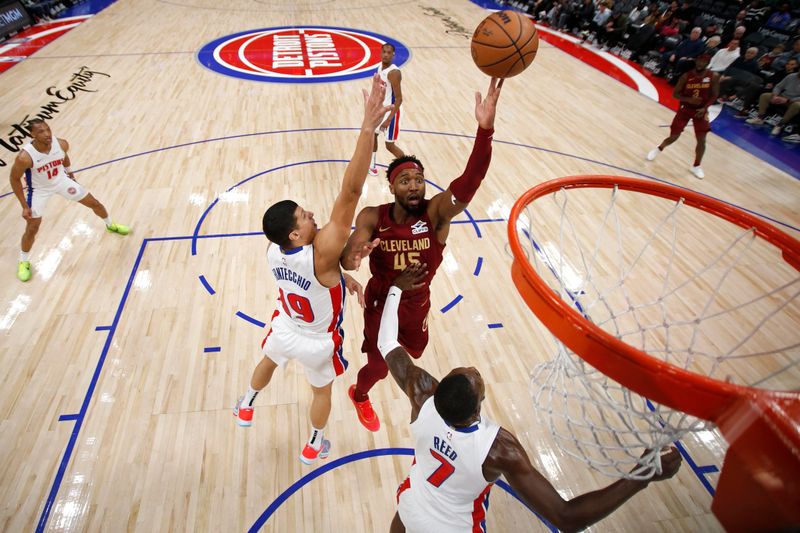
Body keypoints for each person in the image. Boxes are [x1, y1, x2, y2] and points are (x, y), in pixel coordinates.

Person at [377, 263, 683, 533]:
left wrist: (394, 289)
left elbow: (386, 341)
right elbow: (566, 518)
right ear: (477, 408)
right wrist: (641, 476)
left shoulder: (421, 394)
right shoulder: (498, 449)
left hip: (410, 509)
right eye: (476, 376)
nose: (473, 367)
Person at [232, 74, 392, 465]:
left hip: (286, 327)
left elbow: (325, 274)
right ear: (295, 234)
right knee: (321, 393)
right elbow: (350, 193)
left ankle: (247, 404)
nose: (313, 215)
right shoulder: (320, 253)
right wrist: (367, 129)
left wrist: (345, 271)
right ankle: (314, 443)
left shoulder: (274, 252)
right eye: (305, 217)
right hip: (318, 339)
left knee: (268, 359)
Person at [340, 77, 504, 432]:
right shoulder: (373, 216)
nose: (414, 185)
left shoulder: (436, 213)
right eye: (405, 180)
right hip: (382, 305)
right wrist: (356, 255)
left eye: (418, 179)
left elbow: (471, 179)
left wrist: (484, 129)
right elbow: (348, 259)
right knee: (381, 367)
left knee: (413, 354)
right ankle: (360, 394)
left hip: (417, 306)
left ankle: (369, 384)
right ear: (392, 186)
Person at [8, 119, 130, 282]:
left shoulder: (61, 144)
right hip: (39, 190)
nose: (47, 134)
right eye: (41, 132)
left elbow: (64, 157)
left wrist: (69, 172)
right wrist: (24, 206)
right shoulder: (25, 157)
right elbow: (14, 179)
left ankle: (110, 225)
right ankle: (23, 261)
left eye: (48, 129)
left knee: (95, 203)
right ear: (32, 135)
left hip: (61, 181)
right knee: (32, 228)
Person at [647, 53, 719, 179]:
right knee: (674, 137)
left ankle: (696, 166)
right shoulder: (686, 76)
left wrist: (705, 108)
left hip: (700, 111)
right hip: (686, 108)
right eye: (699, 60)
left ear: (708, 63)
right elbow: (675, 94)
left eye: (703, 62)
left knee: (702, 140)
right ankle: (658, 149)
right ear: (696, 61)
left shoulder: (713, 76)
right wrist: (688, 99)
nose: (700, 63)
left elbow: (714, 95)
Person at [369, 43, 405, 177]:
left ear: (393, 54)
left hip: (392, 112)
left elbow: (399, 99)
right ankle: (372, 166)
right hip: (382, 109)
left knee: (390, 146)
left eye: (389, 53)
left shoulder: (394, 73)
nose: (385, 55)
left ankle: (408, 166)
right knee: (373, 134)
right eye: (384, 52)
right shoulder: (380, 67)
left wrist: (388, 120)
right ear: (380, 52)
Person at [745, 71, 800, 136]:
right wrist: (775, 96)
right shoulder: (791, 76)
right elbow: (778, 86)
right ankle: (760, 118)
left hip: (795, 101)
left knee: (797, 105)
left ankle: (780, 125)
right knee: (765, 96)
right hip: (783, 96)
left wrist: (787, 100)